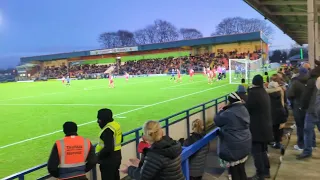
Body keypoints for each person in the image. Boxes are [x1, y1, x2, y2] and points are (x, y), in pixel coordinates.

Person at [214, 92, 251, 180]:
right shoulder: (244, 109)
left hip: (233, 147)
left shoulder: (228, 113)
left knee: (235, 172)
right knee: (241, 169)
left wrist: (222, 110)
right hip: (245, 143)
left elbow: (217, 120)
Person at [246, 75, 273, 180]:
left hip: (257, 128)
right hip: (266, 127)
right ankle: (266, 171)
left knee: (257, 152)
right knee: (262, 151)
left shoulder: (254, 93)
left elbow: (248, 108)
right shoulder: (264, 92)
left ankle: (260, 174)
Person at [297, 66, 320, 159]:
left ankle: (307, 151)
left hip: (313, 109)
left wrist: (302, 106)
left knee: (307, 130)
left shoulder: (312, 81)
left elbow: (306, 95)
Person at [96, 108, 123, 180]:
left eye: (99, 119)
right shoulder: (116, 125)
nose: (97, 122)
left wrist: (97, 156)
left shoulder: (107, 130)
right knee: (115, 177)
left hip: (108, 160)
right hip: (117, 156)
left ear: (103, 119)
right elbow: (121, 139)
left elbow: (108, 148)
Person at [287, 67, 309, 151]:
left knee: (300, 126)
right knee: (308, 126)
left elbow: (289, 94)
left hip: (298, 106)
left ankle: (301, 145)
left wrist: (294, 101)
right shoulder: (311, 81)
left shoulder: (296, 82)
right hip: (308, 107)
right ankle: (311, 143)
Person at [266, 80, 287, 149]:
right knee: (279, 128)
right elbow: (284, 101)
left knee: (273, 128)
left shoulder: (266, 94)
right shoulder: (281, 91)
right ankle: (278, 142)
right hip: (280, 111)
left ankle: (274, 141)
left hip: (271, 112)